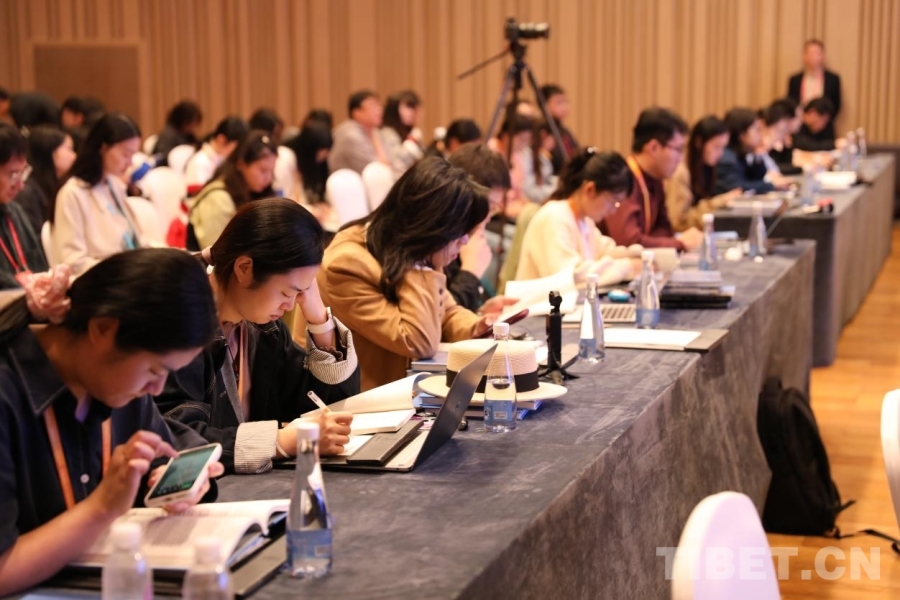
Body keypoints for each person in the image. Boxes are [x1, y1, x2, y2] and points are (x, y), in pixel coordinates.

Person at [0, 248, 223, 596]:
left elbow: (158, 463)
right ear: (103, 329)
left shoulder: (118, 386)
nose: (157, 389)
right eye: (154, 370)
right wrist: (102, 507)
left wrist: (165, 484)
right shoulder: (8, 393)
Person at [156, 199, 359, 471]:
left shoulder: (263, 329)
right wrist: (281, 441)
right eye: (286, 292)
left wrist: (319, 319)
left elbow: (325, 405)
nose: (291, 306)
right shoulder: (181, 328)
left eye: (301, 292)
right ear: (244, 269)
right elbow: (173, 437)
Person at [317, 157, 494, 391]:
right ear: (429, 227)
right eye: (459, 232)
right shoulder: (346, 264)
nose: (465, 242)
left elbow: (445, 311)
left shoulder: (415, 251)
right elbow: (418, 341)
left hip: (403, 392)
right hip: (360, 403)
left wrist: (477, 327)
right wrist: (417, 262)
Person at [516, 148, 636, 285]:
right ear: (590, 190)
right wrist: (629, 266)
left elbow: (605, 251)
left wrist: (637, 255)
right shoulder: (554, 217)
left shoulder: (584, 220)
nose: (613, 210)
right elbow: (570, 276)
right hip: (538, 299)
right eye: (613, 201)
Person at [50, 112, 148, 277]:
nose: (130, 163)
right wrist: (123, 270)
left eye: (133, 155)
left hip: (131, 275)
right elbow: (73, 262)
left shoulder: (114, 185)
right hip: (104, 282)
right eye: (126, 154)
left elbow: (136, 241)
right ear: (103, 147)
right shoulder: (72, 193)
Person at [601, 107, 702, 250]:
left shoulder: (655, 178)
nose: (680, 159)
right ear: (653, 148)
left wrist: (662, 241)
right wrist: (680, 243)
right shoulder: (623, 180)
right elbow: (628, 241)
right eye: (678, 150)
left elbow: (664, 229)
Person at [444, 143, 517, 312]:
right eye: (489, 207)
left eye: (493, 208)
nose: (487, 218)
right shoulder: (440, 243)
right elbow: (437, 318)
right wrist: (470, 272)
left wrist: (481, 312)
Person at [188, 130, 277, 249]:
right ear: (241, 164)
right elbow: (216, 251)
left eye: (272, 171)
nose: (269, 178)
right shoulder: (218, 198)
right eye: (263, 170)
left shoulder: (256, 193)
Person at [665, 116, 741, 232]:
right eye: (717, 147)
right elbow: (678, 222)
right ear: (699, 142)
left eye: (723, 148)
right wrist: (718, 203)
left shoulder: (705, 169)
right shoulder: (681, 172)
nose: (720, 154)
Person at [0, 124, 48, 289]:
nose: (20, 185)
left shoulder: (15, 211)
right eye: (13, 175)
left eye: (23, 173)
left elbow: (40, 268)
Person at [13, 126, 76, 235]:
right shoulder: (28, 194)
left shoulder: (62, 186)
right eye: (69, 149)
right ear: (52, 152)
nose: (74, 156)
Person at [714, 108, 790, 195]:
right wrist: (771, 185)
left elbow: (756, 178)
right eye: (757, 130)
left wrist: (757, 155)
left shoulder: (741, 154)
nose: (760, 134)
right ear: (742, 134)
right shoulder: (727, 159)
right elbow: (738, 187)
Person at [282, 120, 338, 231]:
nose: (321, 159)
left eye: (325, 155)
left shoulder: (318, 163)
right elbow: (285, 198)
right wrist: (311, 210)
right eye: (319, 155)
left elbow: (316, 193)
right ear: (308, 149)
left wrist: (319, 205)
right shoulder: (288, 159)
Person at [788, 39, 841, 138]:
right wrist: (805, 118)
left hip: (825, 129)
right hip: (801, 127)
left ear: (823, 56)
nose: (813, 57)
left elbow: (836, 105)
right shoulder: (795, 80)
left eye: (817, 53)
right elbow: (791, 103)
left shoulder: (833, 79)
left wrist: (821, 120)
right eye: (810, 53)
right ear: (804, 56)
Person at [328, 90, 390, 174]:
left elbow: (391, 162)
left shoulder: (374, 131)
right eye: (373, 106)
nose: (379, 110)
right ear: (356, 113)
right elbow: (374, 170)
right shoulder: (350, 135)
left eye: (379, 105)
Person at [184, 116, 249, 188]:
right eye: (238, 147)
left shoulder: (223, 161)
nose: (240, 151)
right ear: (221, 140)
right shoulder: (200, 163)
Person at [381, 90, 424, 177]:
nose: (412, 112)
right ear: (394, 109)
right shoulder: (387, 133)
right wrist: (412, 141)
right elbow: (398, 163)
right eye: (408, 107)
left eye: (413, 107)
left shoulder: (410, 132)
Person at [540, 84, 579, 173]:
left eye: (565, 102)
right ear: (544, 105)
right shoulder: (541, 132)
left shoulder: (564, 131)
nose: (564, 107)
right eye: (559, 103)